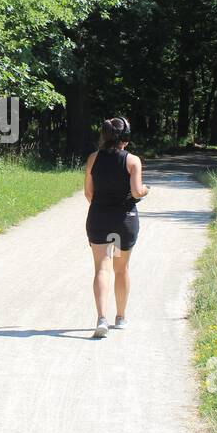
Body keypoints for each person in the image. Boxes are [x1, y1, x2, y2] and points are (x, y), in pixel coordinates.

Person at [84, 116, 149, 338]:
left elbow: (88, 194)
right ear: (126, 137)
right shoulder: (133, 161)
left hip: (99, 219)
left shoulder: (93, 158)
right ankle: (120, 317)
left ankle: (101, 318)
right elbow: (136, 192)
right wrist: (146, 190)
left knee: (101, 268)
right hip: (124, 222)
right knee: (121, 269)